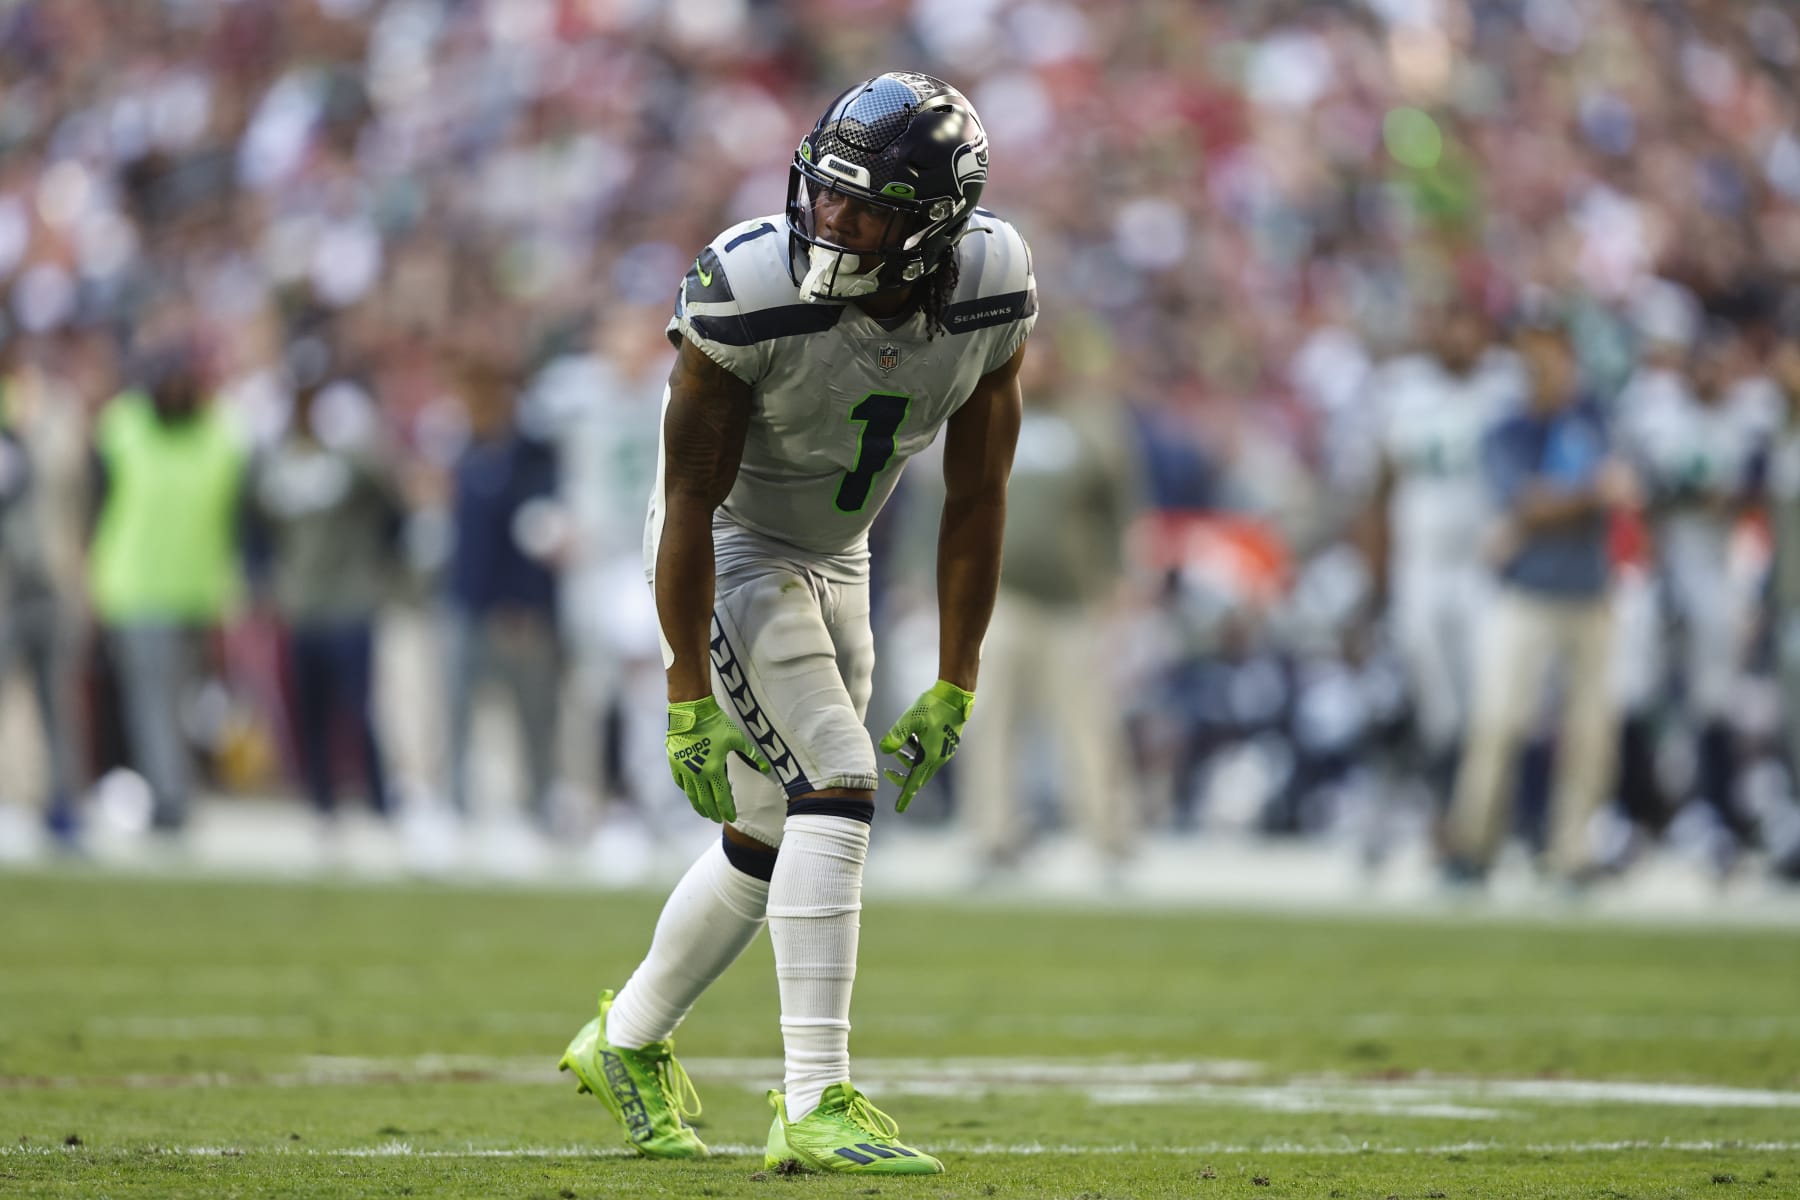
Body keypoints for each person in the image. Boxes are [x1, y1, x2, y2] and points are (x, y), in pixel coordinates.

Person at [557, 73, 1034, 1175]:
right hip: (730, 544)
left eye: (865, 208)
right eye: (825, 191)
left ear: (935, 226)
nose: (831, 217)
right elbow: (688, 499)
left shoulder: (993, 284)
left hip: (841, 552)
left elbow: (978, 495)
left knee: (778, 827)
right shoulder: (749, 283)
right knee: (837, 778)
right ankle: (816, 1096)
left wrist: (957, 674)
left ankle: (626, 1039)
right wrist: (685, 691)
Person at [1447, 309, 1636, 884]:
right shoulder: (1510, 429)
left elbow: (1626, 487)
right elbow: (1528, 501)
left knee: (1590, 734)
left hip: (1589, 591)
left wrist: (1560, 503)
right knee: (1498, 720)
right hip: (1527, 592)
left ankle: (1572, 851)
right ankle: (1474, 845)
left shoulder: (1595, 418)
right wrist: (1586, 496)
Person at [1360, 306, 1520, 810]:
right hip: (1421, 558)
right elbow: (1381, 485)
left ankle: (1486, 806)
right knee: (1431, 681)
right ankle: (1446, 799)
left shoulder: (1505, 387)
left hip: (1481, 561)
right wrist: (1375, 575)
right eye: (1452, 330)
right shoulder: (1403, 389)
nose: (1460, 341)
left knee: (1485, 684)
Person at [89, 342, 248, 832]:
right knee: (152, 703)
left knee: (186, 705)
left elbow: (239, 517)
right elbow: (96, 505)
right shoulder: (123, 428)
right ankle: (170, 799)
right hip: (137, 588)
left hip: (197, 590)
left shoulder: (222, 434)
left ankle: (178, 790)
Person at [248, 370, 403, 823]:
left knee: (359, 706)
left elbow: (392, 509)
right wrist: (266, 582)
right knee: (311, 709)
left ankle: (378, 797)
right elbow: (256, 528)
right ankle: (321, 800)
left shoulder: (352, 462)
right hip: (302, 602)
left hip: (351, 599)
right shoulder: (276, 466)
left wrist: (379, 567)